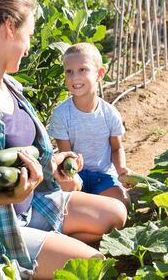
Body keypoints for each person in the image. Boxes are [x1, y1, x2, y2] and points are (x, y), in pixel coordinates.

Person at [0, 0, 127, 279]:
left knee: (117, 214)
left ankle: (45, 257)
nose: (28, 48)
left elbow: (25, 151)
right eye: (30, 36)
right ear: (10, 28)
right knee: (93, 268)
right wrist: (2, 198)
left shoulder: (11, 86)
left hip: (34, 204)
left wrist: (55, 163)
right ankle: (5, 267)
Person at [47, 43, 131, 210]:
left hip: (104, 175)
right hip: (76, 174)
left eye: (82, 70)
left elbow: (116, 148)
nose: (74, 77)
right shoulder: (62, 114)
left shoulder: (110, 113)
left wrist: (121, 169)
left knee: (123, 204)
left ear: (99, 74)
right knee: (66, 195)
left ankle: (90, 208)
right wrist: (73, 169)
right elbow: (65, 154)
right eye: (69, 71)